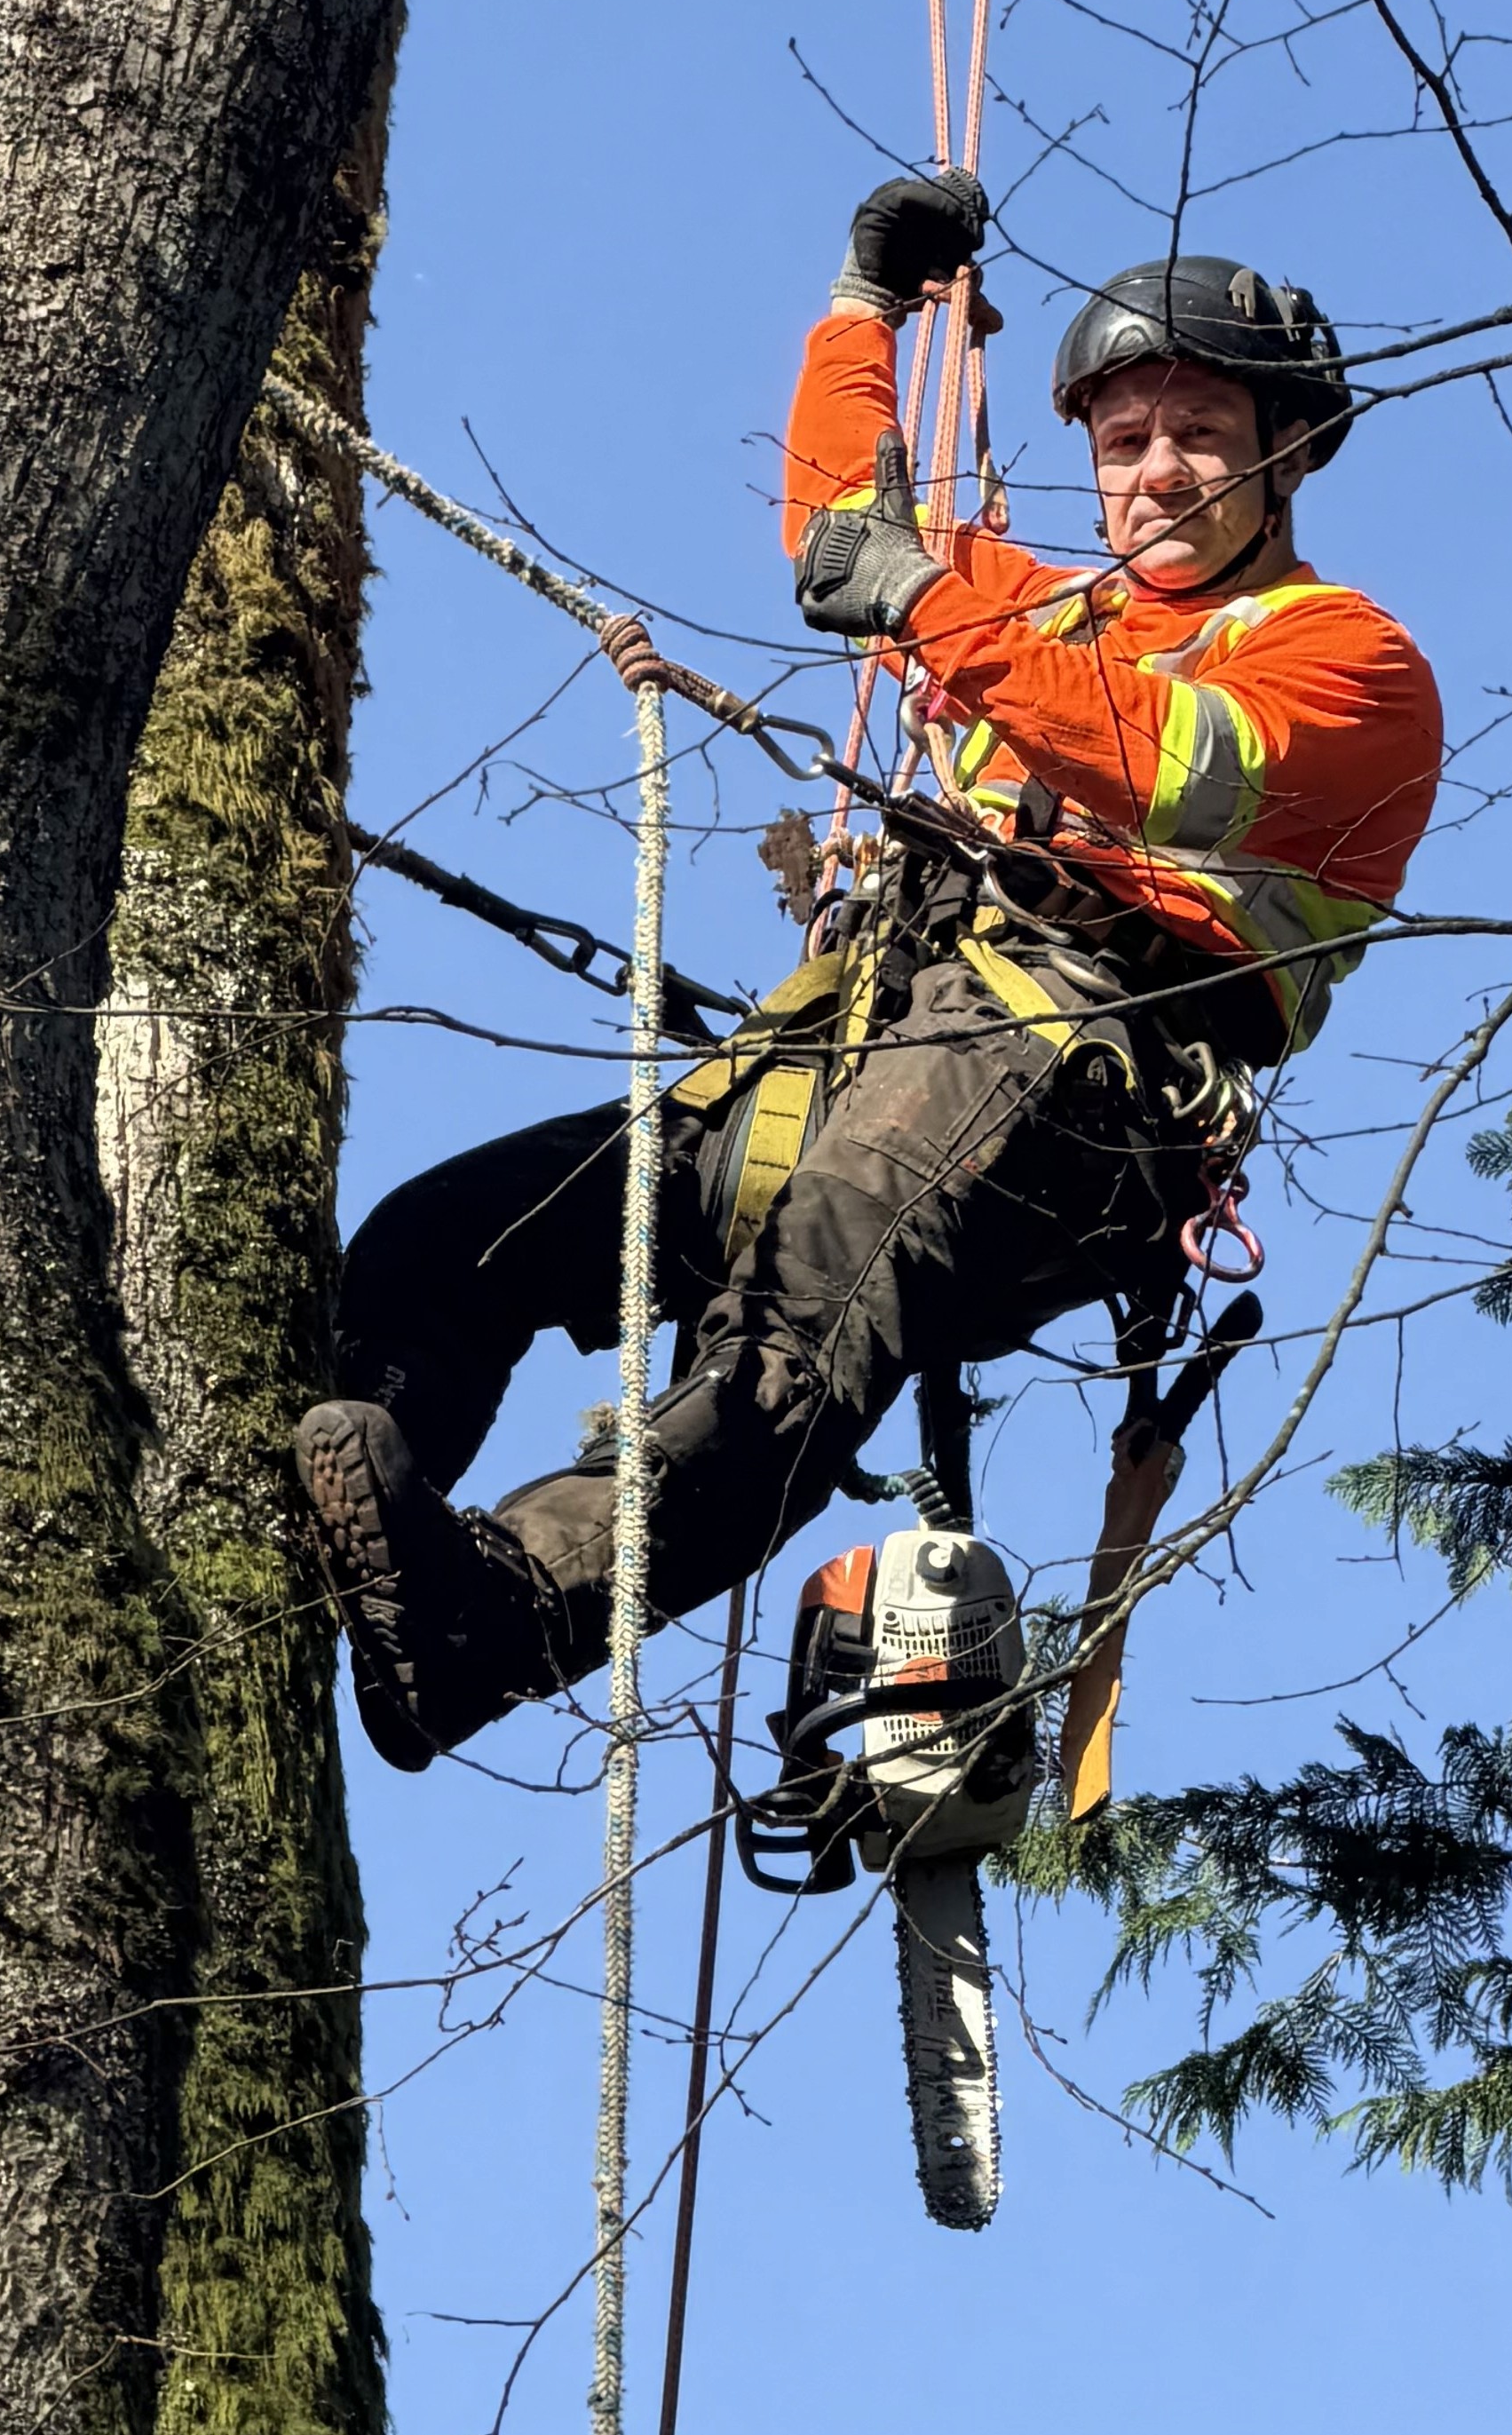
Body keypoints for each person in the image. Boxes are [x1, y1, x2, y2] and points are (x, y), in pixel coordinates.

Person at [293, 169, 1445, 1768]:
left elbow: (1156, 760)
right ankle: (357, 1541)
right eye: (1126, 442)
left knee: (795, 1339)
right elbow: (846, 530)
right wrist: (862, 314)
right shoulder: (1043, 608)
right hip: (862, 1040)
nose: (1158, 472)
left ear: (1286, 452)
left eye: (1201, 436)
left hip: (1068, 1076)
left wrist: (928, 602)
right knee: (452, 1240)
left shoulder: (1350, 659)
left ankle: (503, 1615)